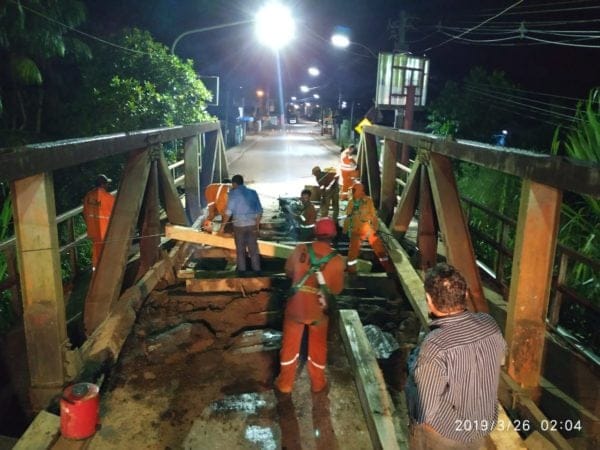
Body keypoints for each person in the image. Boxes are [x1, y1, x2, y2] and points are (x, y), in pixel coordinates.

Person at [405, 263, 506, 449]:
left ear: (429, 300)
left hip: (447, 436)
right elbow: (500, 361)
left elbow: (427, 408)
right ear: (465, 295)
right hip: (482, 425)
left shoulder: (435, 345)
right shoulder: (489, 324)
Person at [275, 217, 345, 394]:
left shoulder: (300, 249)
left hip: (295, 307)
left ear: (315, 232)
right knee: (318, 347)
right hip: (318, 311)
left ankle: (285, 384)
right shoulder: (337, 260)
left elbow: (288, 271)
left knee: (289, 347)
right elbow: (336, 290)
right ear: (333, 235)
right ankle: (318, 384)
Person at [342, 181, 393, 273]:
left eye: (354, 190)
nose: (352, 192)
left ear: (359, 190)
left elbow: (373, 215)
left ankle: (388, 268)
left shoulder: (368, 200)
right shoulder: (351, 202)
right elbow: (348, 216)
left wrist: (375, 228)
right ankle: (351, 270)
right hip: (356, 229)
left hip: (366, 228)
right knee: (353, 251)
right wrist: (345, 230)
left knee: (378, 247)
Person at [219, 174, 263, 276]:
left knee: (240, 250)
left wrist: (222, 227)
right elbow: (259, 211)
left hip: (239, 226)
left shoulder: (233, 194)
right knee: (253, 250)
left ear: (234, 184)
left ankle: (242, 271)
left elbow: (228, 212)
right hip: (251, 225)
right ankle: (257, 271)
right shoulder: (253, 192)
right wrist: (256, 226)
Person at [83, 174, 116, 270]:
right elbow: (115, 214)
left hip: (93, 230)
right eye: (106, 183)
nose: (108, 185)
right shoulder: (109, 198)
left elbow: (85, 212)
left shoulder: (88, 196)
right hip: (106, 230)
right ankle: (106, 269)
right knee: (106, 251)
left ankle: (96, 269)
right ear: (103, 184)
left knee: (96, 250)